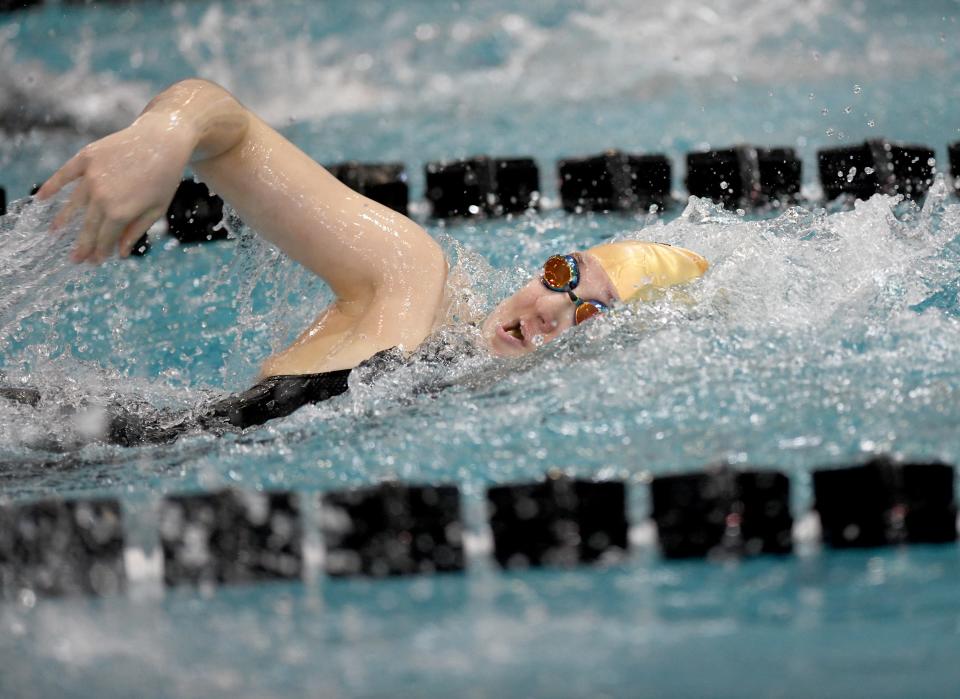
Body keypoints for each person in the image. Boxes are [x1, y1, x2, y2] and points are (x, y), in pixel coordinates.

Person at [27, 79, 708, 442]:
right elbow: (221, 122)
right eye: (563, 274)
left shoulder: (461, 404)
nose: (553, 307)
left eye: (588, 315)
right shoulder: (410, 280)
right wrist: (167, 135)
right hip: (53, 436)